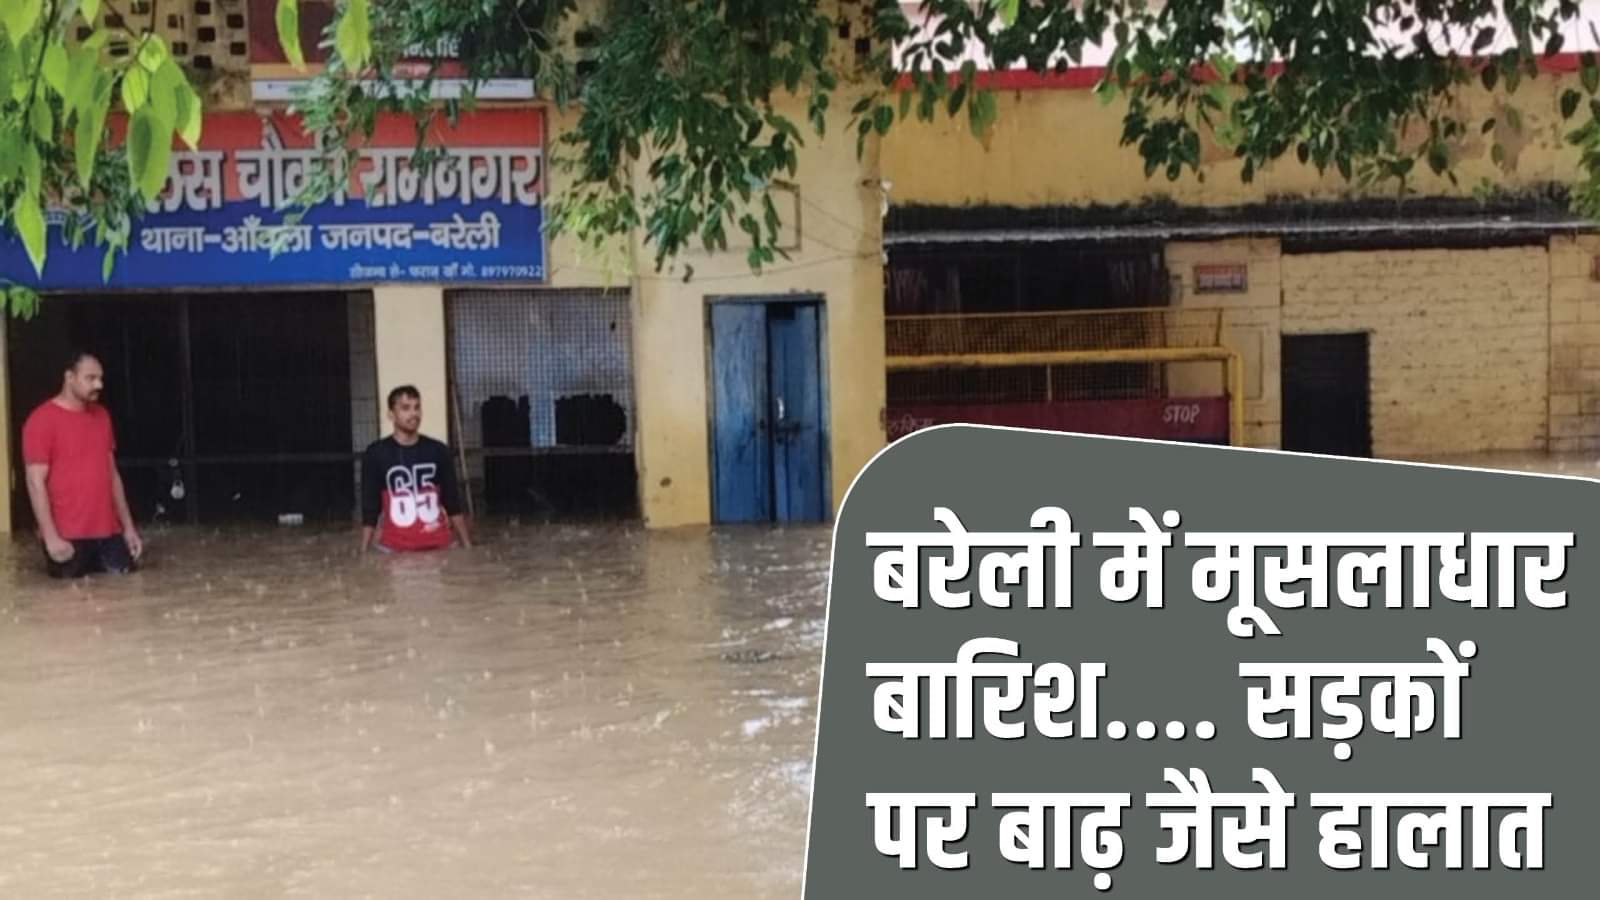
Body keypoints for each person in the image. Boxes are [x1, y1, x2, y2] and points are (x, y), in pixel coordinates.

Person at [22, 350, 143, 578]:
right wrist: (50, 538)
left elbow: (112, 475)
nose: (99, 384)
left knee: (128, 584)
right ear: (69, 378)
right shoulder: (41, 420)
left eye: (100, 378)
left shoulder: (102, 416)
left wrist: (128, 528)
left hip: (109, 533)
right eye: (90, 378)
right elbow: (34, 481)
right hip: (67, 536)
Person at [361, 385, 472, 553]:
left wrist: (468, 546)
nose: (414, 414)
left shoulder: (439, 450)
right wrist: (363, 552)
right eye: (406, 408)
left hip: (440, 546)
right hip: (394, 550)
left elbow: (452, 503)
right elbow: (370, 508)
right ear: (391, 414)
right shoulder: (376, 454)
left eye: (417, 407)